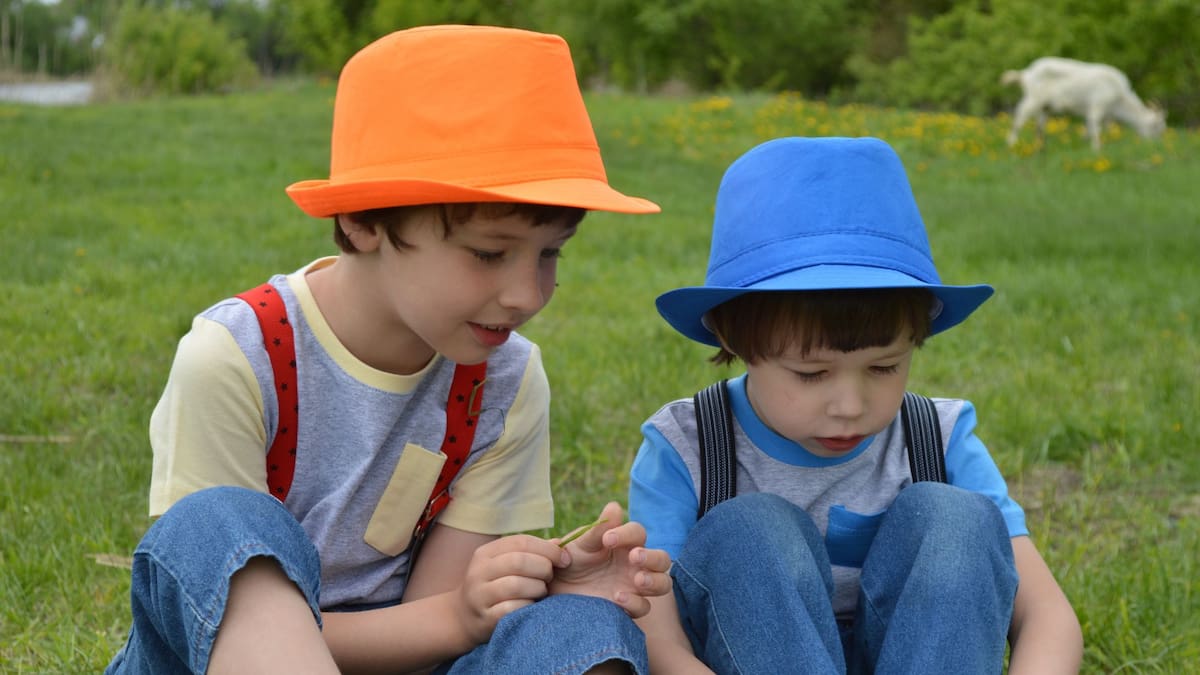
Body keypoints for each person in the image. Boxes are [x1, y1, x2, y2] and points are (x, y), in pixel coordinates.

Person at [106, 25, 673, 675]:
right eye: (489, 253)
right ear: (364, 220)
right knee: (217, 521)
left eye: (549, 253)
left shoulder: (505, 378)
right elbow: (204, 605)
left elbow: (434, 628)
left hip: (408, 652)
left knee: (580, 626)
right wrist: (457, 616)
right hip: (204, 656)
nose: (527, 293)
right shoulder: (237, 356)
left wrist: (516, 595)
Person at [628, 137, 1083, 673]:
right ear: (736, 343)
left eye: (884, 367)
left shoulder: (937, 436)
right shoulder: (686, 445)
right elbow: (657, 636)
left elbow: (1047, 614)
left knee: (957, 518)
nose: (849, 405)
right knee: (749, 529)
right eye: (811, 373)